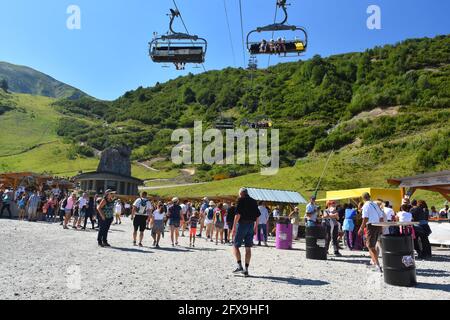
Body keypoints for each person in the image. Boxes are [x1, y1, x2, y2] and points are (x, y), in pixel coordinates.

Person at [232, 188, 260, 277]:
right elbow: (257, 216)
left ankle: (239, 266)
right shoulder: (254, 201)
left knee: (235, 246)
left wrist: (233, 227)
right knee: (248, 248)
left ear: (241, 193)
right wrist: (256, 227)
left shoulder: (240, 200)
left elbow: (238, 215)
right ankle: (246, 269)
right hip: (251, 225)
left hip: (242, 225)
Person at [358, 192, 384, 272]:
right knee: (371, 245)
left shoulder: (366, 205)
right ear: (369, 197)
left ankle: (377, 265)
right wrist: (381, 227)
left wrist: (361, 228)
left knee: (371, 246)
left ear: (363, 198)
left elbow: (365, 218)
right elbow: (381, 216)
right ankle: (375, 264)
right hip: (377, 225)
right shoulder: (375, 204)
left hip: (371, 226)